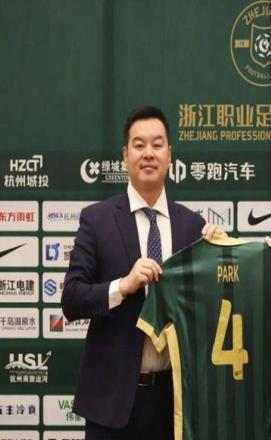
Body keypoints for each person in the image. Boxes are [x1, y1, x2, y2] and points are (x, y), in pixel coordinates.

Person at [62, 106, 223, 439]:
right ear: (125, 155)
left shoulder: (193, 226)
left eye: (157, 144)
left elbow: (212, 310)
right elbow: (72, 299)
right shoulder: (97, 220)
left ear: (169, 155)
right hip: (111, 404)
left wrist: (222, 256)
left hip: (175, 403)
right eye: (139, 145)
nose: (148, 153)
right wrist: (123, 286)